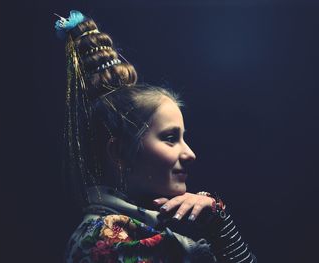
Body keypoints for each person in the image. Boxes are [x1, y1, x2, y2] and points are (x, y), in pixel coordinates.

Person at [55, 10, 257, 263]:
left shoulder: (145, 230)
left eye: (183, 138)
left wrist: (219, 223)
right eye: (171, 138)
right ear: (119, 153)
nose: (190, 154)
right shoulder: (103, 243)